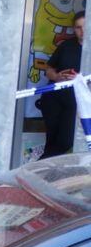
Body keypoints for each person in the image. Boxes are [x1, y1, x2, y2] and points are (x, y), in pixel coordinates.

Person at [40, 11, 85, 158]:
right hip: (54, 98)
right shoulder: (67, 46)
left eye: (85, 26)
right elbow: (49, 70)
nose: (82, 31)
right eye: (78, 27)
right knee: (52, 139)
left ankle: (40, 168)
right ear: (74, 29)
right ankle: (44, 170)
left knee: (65, 140)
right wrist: (58, 77)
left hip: (77, 103)